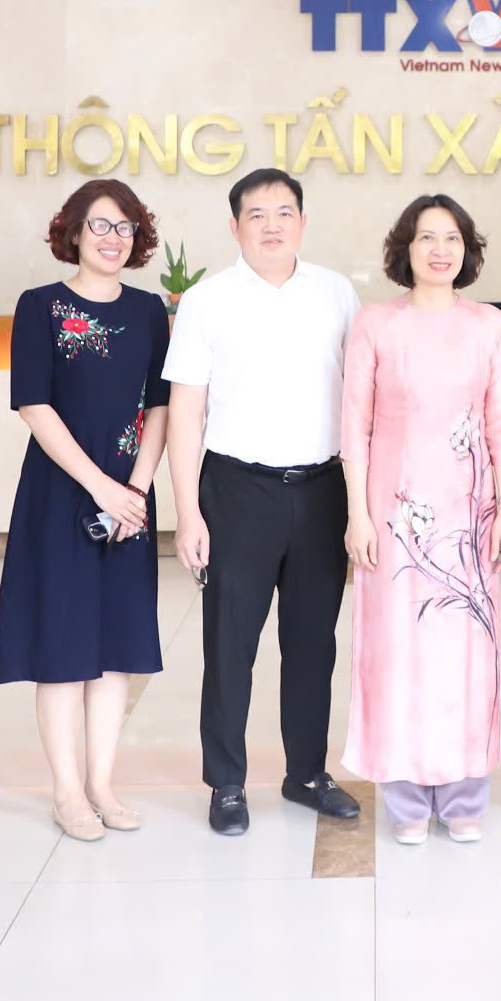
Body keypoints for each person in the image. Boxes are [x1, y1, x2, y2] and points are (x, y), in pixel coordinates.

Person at [164, 167, 363, 838]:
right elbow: (186, 412)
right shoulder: (207, 300)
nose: (272, 225)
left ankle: (306, 772)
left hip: (321, 490)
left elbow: (361, 400)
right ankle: (226, 781)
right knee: (230, 644)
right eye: (257, 214)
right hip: (236, 491)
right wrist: (188, 512)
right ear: (235, 226)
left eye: (284, 212)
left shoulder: (337, 292)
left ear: (303, 222)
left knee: (312, 643)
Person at [340, 194, 501, 845]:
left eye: (452, 238)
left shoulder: (487, 324)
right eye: (426, 237)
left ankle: (466, 796)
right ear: (405, 248)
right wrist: (357, 514)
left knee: (465, 655)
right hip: (393, 516)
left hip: (467, 516)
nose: (440, 250)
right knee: (397, 652)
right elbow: (353, 426)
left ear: (467, 250)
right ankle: (408, 801)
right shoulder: (375, 324)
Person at [0, 180, 170, 842]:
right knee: (63, 648)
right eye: (100, 225)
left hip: (128, 500)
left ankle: (101, 783)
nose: (112, 238)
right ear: (72, 231)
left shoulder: (149, 311)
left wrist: (137, 490)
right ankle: (67, 792)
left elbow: (160, 405)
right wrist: (101, 486)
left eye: (125, 227)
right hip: (61, 492)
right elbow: (33, 403)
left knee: (117, 648)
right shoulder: (39, 306)